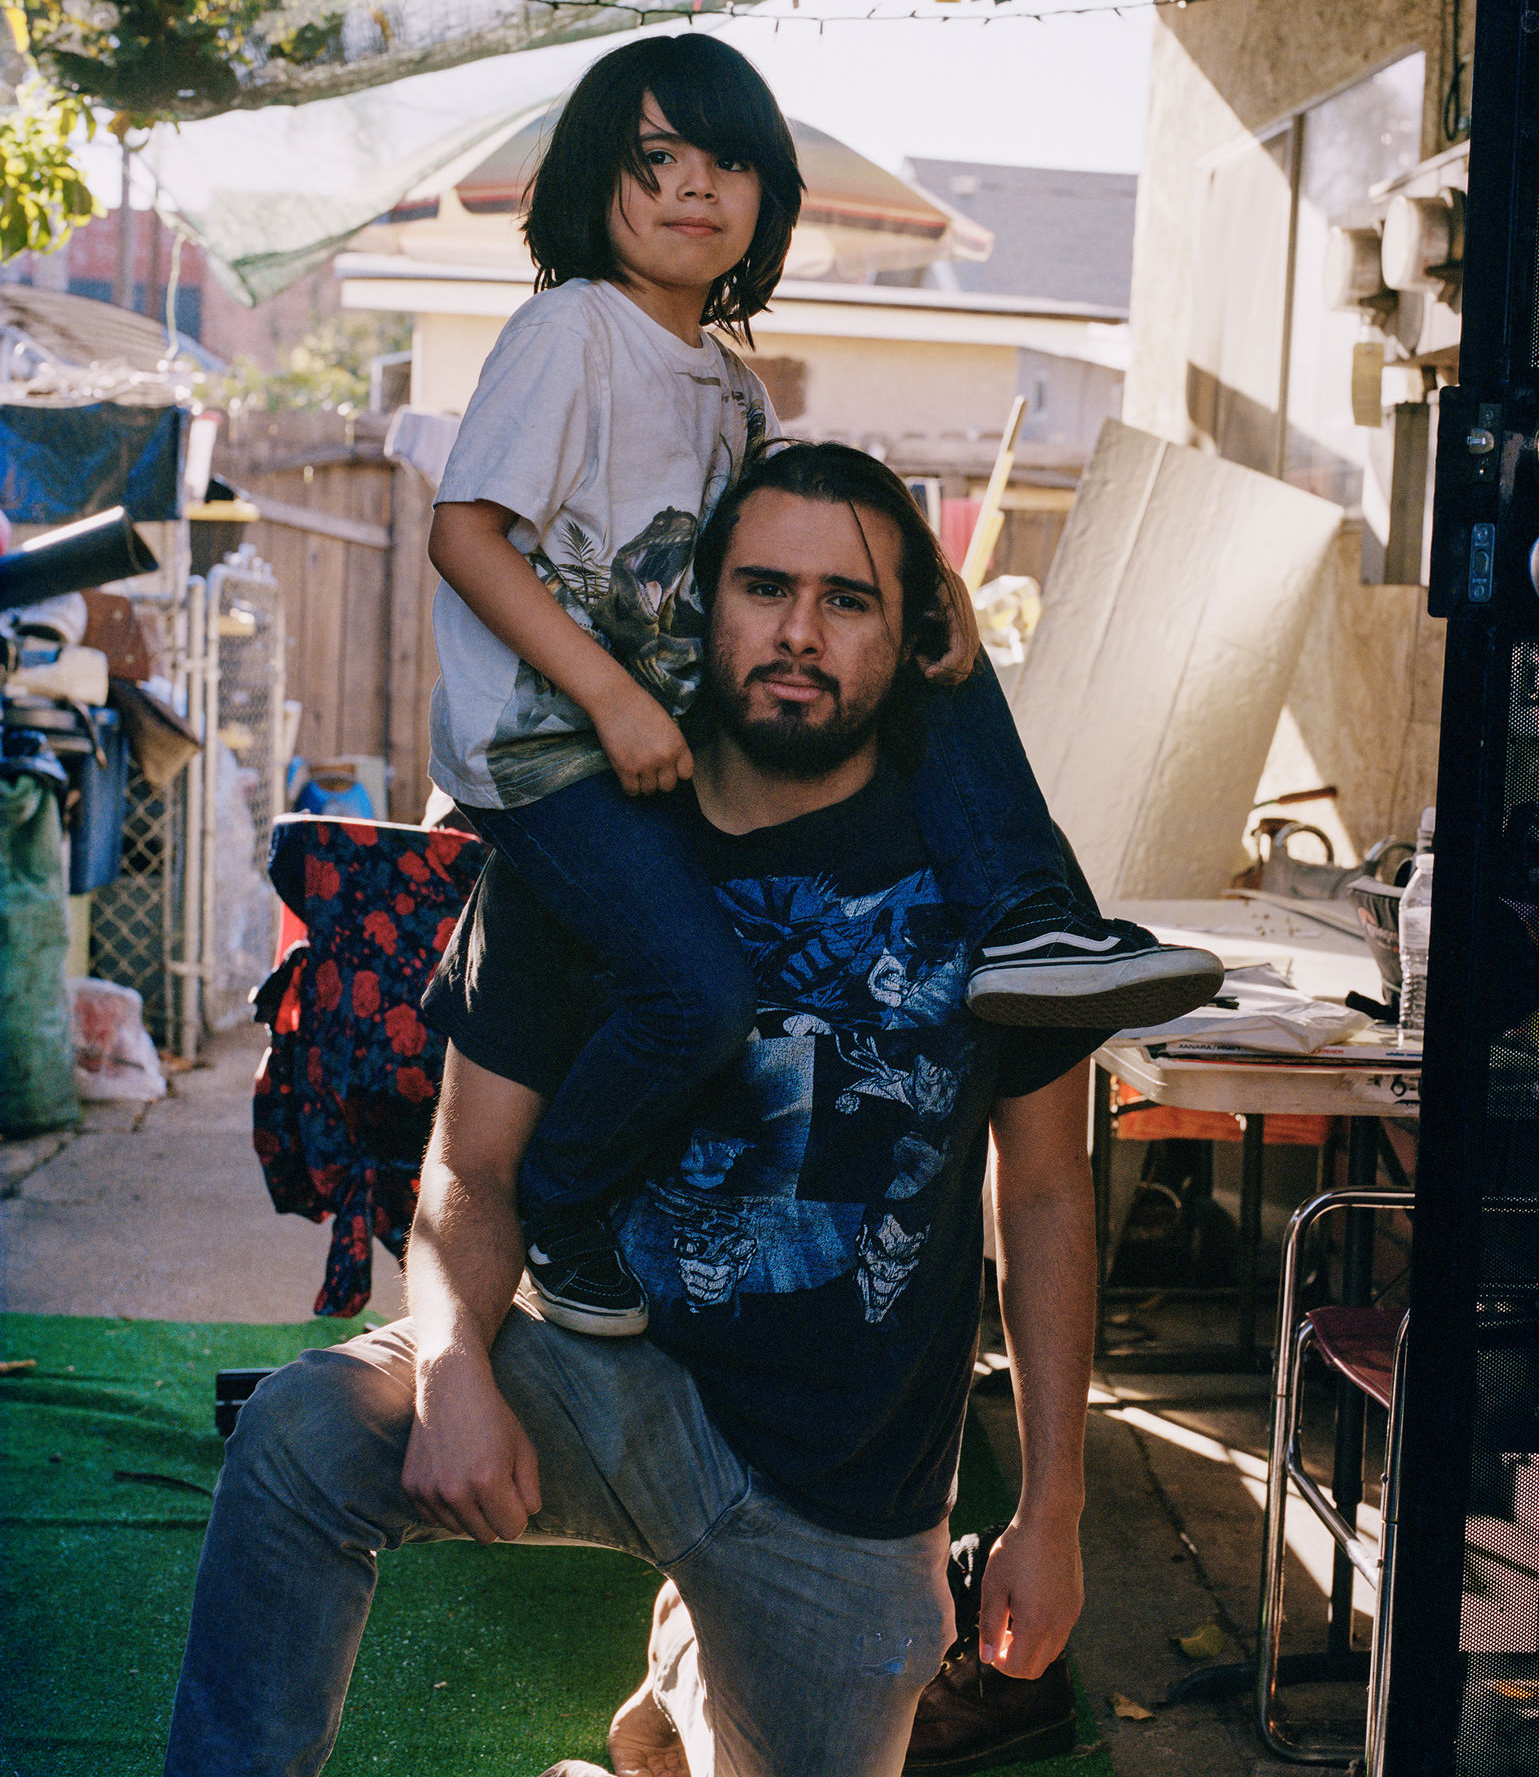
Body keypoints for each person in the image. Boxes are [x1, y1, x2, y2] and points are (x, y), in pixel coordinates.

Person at [163, 446, 1105, 1777]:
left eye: (848, 602)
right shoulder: (586, 849)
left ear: (911, 644)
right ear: (702, 607)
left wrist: (1053, 1507)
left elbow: (1052, 1194)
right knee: (304, 1434)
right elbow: (470, 1169)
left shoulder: (999, 882)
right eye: (764, 586)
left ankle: (683, 1678)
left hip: (847, 1472)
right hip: (606, 1379)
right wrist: (450, 1374)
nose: (797, 631)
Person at [425, 34, 1221, 1337]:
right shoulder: (573, 332)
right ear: (592, 180)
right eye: (657, 159)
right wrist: (613, 702)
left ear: (766, 201)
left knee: (918, 625)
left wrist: (913, 587)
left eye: (727, 162)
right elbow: (465, 536)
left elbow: (776, 560)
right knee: (702, 991)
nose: (694, 187)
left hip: (669, 736)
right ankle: (567, 1203)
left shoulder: (726, 387)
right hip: (549, 759)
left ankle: (1027, 923)